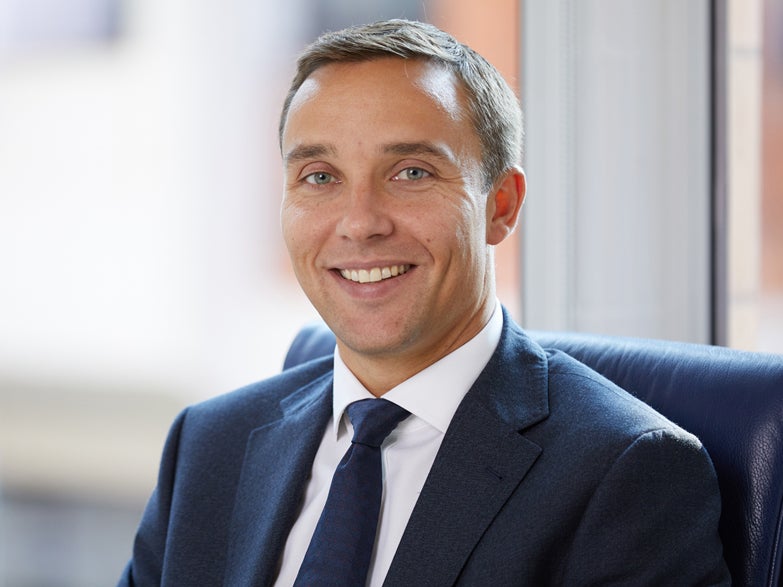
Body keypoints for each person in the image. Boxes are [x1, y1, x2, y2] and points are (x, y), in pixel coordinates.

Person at [118, 19, 730, 586]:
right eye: (320, 177)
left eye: (411, 172)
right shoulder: (210, 445)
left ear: (501, 205)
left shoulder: (625, 472)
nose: (360, 224)